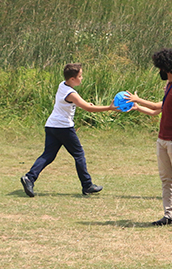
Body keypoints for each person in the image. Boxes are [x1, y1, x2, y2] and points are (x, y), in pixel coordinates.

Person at [20, 63, 116, 197]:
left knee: (48, 155)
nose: (81, 78)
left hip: (51, 125)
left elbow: (78, 103)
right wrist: (109, 108)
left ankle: (29, 178)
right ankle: (87, 185)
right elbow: (87, 108)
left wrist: (85, 103)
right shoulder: (71, 93)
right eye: (80, 76)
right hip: (63, 128)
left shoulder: (63, 85)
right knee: (79, 154)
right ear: (72, 79)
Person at [126, 48, 172, 228]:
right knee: (166, 179)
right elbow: (160, 108)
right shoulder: (170, 85)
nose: (159, 72)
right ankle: (169, 215)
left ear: (165, 68)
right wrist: (138, 106)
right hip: (163, 139)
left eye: (159, 68)